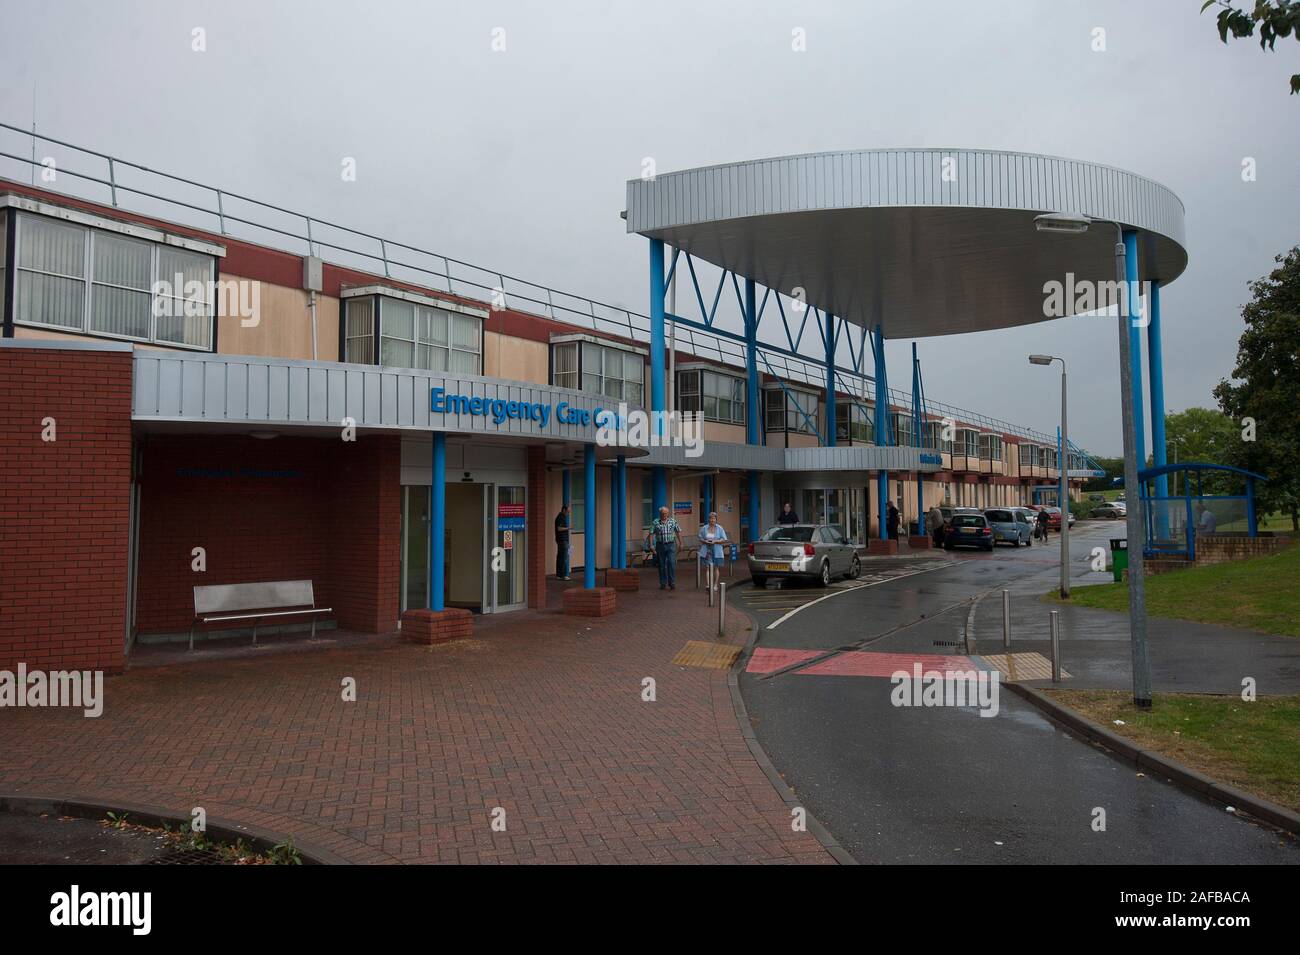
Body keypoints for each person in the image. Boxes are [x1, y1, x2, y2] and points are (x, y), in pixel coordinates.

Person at [647, 506, 683, 590]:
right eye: (663, 513)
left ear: (668, 513)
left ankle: (672, 582)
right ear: (660, 513)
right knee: (662, 565)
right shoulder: (655, 522)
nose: (664, 515)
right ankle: (663, 583)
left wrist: (681, 543)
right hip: (660, 545)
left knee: (671, 563)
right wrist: (651, 545)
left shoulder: (673, 521)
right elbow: (651, 534)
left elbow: (678, 532)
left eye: (666, 513)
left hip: (671, 545)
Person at [698, 512, 729, 591]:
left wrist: (716, 541)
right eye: (711, 518)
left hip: (717, 550)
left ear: (716, 519)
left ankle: (715, 585)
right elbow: (700, 538)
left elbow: (724, 539)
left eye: (714, 518)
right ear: (708, 519)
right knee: (708, 567)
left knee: (716, 567)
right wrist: (705, 541)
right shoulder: (704, 528)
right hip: (707, 549)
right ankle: (708, 585)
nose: (712, 520)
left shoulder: (720, 528)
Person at [554, 504, 571, 580]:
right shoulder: (560, 517)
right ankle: (564, 575)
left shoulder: (561, 517)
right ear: (564, 510)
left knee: (560, 557)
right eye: (567, 512)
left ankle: (559, 574)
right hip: (562, 540)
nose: (568, 514)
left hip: (560, 540)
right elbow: (559, 528)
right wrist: (569, 528)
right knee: (564, 557)